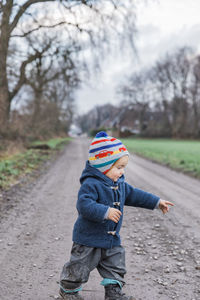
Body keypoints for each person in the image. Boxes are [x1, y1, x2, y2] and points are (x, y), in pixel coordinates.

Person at [59, 131, 174, 300]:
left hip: (111, 241)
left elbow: (135, 195)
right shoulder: (91, 184)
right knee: (79, 268)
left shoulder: (119, 184)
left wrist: (157, 202)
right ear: (103, 166)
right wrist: (105, 212)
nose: (122, 172)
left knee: (116, 266)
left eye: (123, 167)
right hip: (87, 240)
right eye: (118, 167)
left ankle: (113, 294)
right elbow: (84, 205)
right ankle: (68, 291)